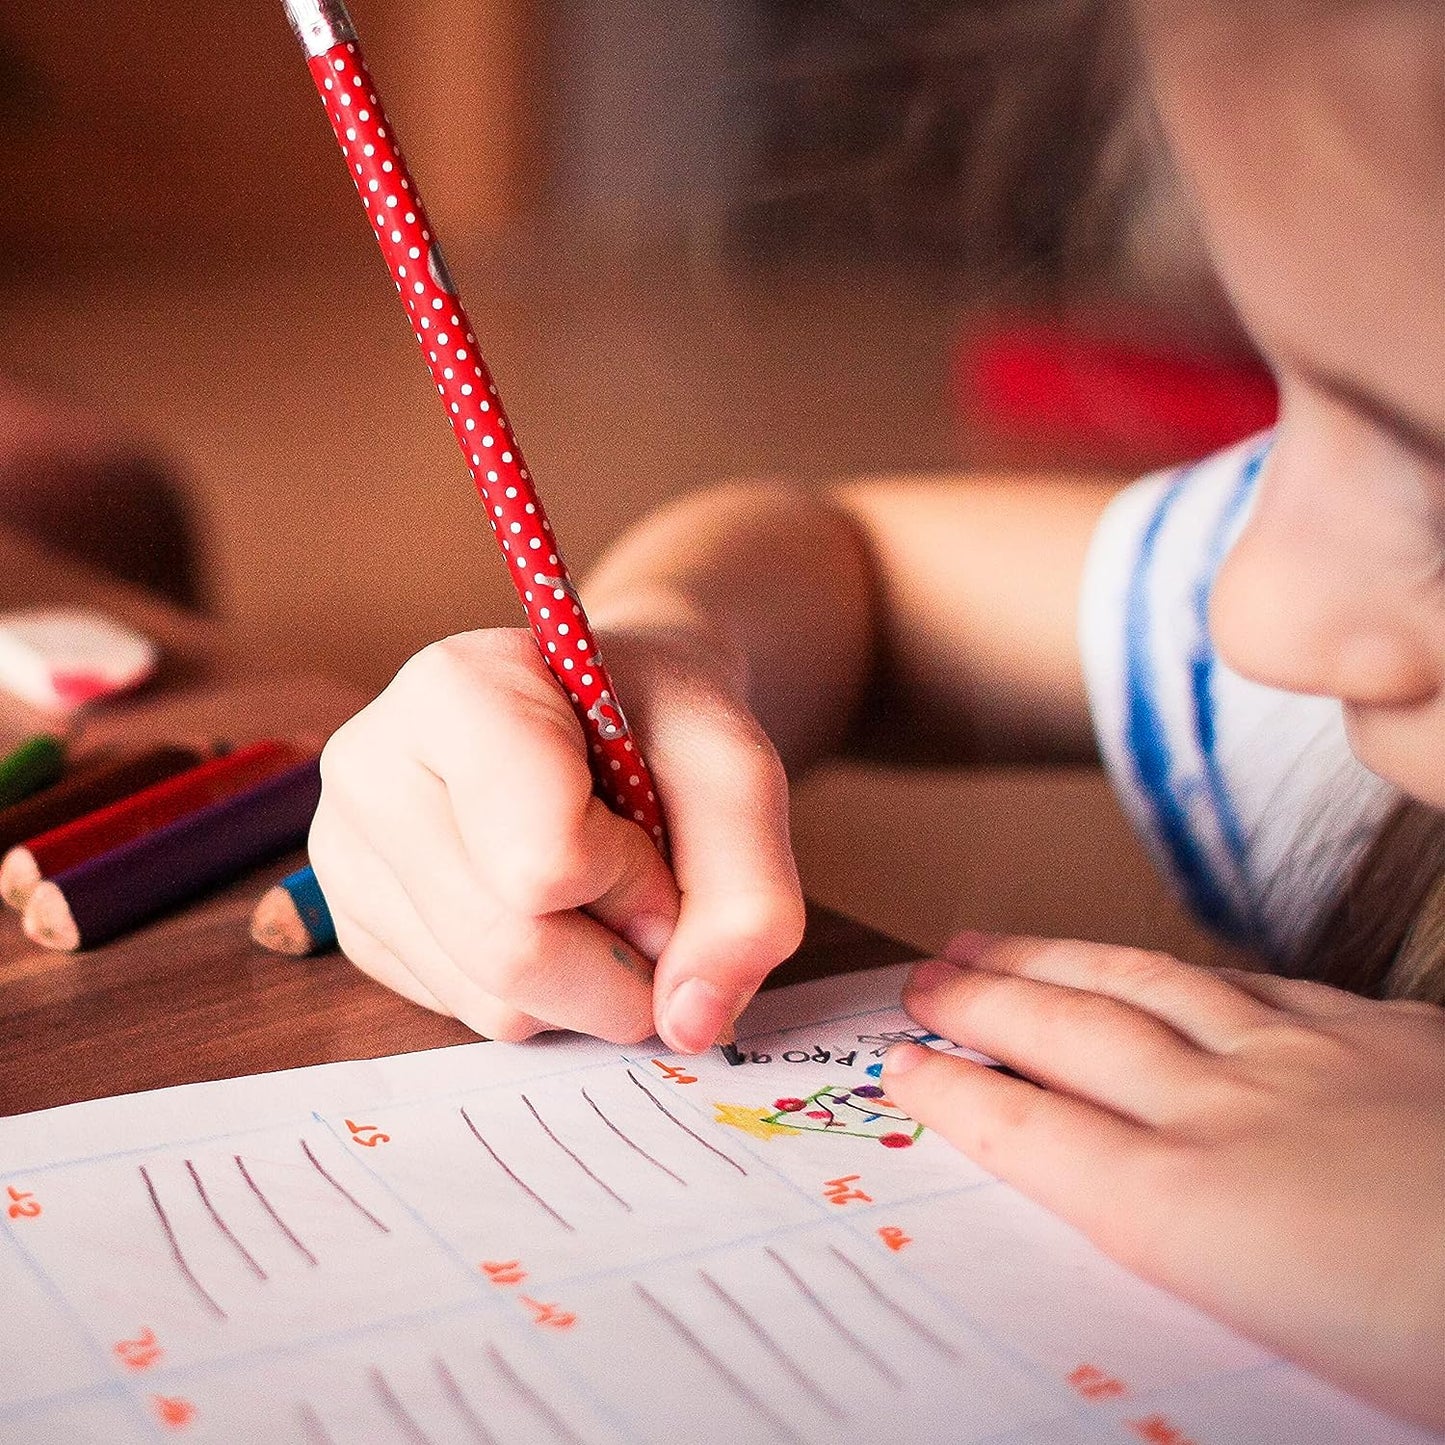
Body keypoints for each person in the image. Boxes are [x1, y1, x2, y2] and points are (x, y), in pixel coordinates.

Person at [309, 0, 1445, 1426]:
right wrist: (670, 653)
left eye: (1435, 487)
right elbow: (858, 568)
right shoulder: (1337, 642)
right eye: (1282, 408)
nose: (1249, 612)